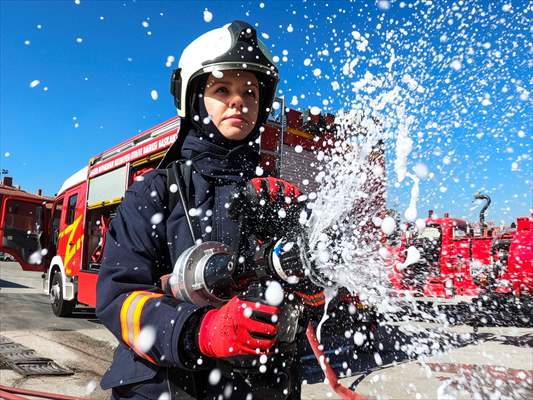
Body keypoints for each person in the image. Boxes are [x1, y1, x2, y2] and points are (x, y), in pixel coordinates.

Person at [96, 21, 318, 400]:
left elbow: (315, 299)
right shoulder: (154, 193)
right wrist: (200, 331)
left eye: (250, 91)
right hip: (166, 388)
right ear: (194, 98)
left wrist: (313, 287)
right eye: (222, 89)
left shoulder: (277, 200)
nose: (239, 101)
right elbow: (120, 299)